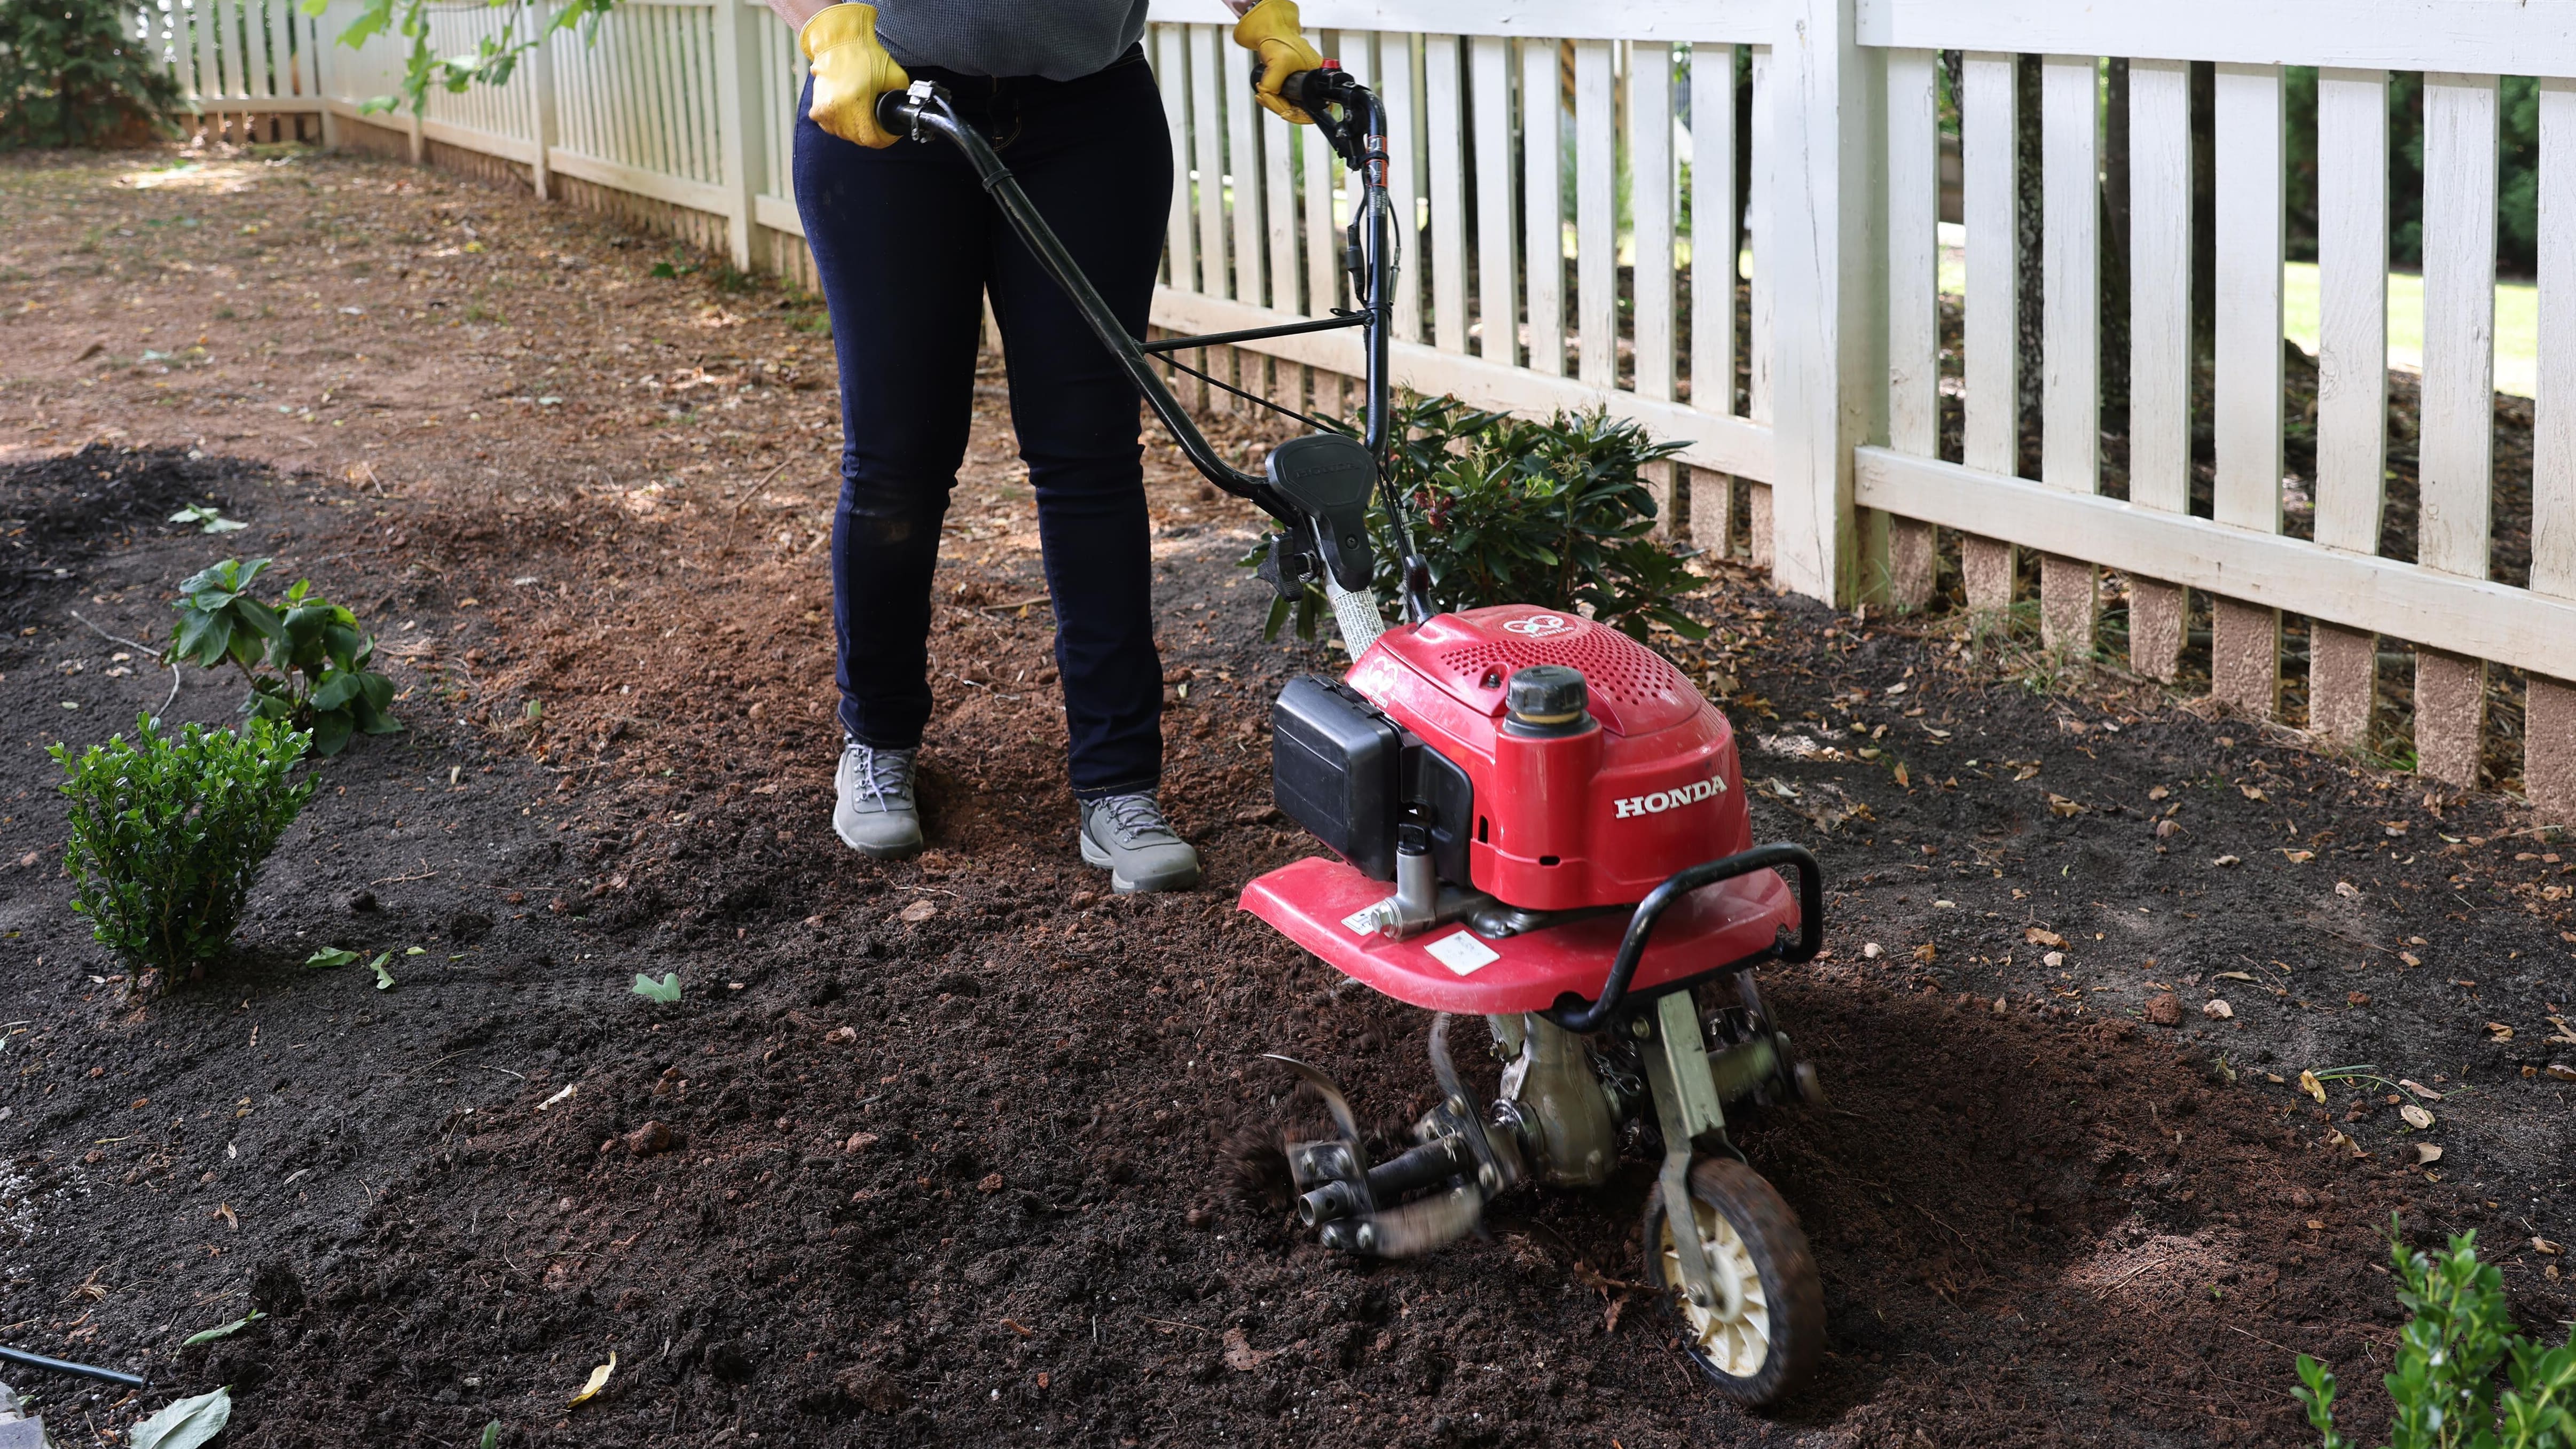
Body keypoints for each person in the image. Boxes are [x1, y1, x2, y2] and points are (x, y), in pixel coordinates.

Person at [764, 0, 1322, 893]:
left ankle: (1118, 787)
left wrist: (1265, 12)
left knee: (1090, 456)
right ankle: (878, 741)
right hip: (889, 108)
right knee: (898, 460)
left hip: (1090, 118)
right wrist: (828, 21)